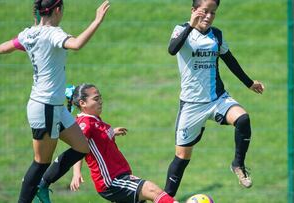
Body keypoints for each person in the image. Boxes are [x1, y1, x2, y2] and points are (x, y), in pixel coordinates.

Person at [0, 1, 110, 202]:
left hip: (55, 106)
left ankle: (42, 185)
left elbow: (11, 45)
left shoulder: (29, 33)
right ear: (57, 10)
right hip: (46, 107)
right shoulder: (53, 34)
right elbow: (76, 44)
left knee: (82, 147)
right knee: (41, 162)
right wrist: (97, 21)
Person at [163, 0, 265, 197]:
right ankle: (166, 198)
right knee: (182, 157)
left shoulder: (216, 35)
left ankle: (238, 164)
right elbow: (172, 49)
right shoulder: (181, 30)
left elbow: (230, 59)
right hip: (191, 105)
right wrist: (191, 25)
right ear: (193, 11)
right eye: (204, 11)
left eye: (213, 13)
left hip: (217, 99)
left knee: (243, 119)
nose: (209, 16)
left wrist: (249, 83)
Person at [67, 84, 178, 203]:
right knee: (152, 191)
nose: (100, 102)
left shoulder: (94, 119)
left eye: (100, 98)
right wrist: (76, 172)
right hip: (110, 181)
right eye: (96, 99)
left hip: (119, 175)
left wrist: (112, 132)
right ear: (82, 103)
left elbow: (97, 140)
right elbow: (78, 148)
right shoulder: (85, 123)